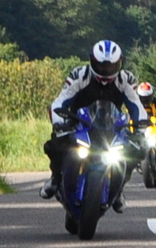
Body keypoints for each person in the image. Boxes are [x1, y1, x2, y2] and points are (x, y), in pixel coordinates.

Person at [43, 39, 146, 202]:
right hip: (79, 125)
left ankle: (118, 189)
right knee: (55, 145)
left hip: (112, 128)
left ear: (120, 64)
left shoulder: (126, 79)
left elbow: (136, 107)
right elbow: (60, 101)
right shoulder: (79, 75)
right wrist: (58, 124)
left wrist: (140, 131)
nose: (106, 70)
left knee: (138, 150)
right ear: (92, 61)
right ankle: (55, 178)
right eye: (102, 66)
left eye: (111, 66)